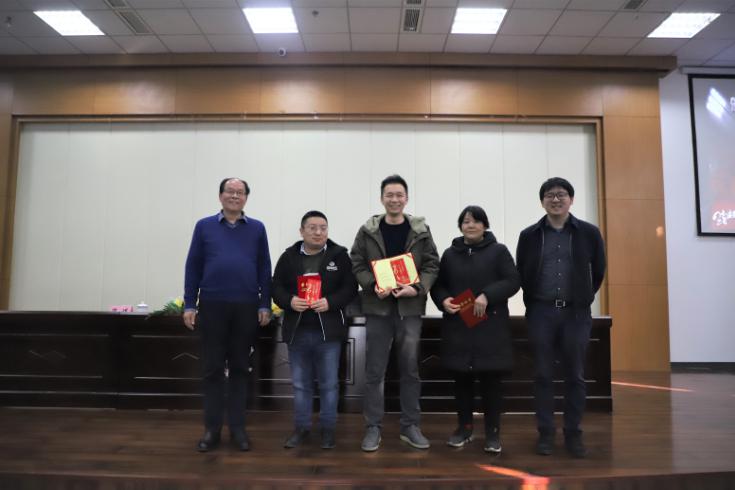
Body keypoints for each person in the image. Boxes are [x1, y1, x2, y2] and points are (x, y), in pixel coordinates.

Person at [516, 177, 606, 458]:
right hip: (541, 312)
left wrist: (583, 296)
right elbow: (522, 270)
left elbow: (598, 270)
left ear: (571, 199)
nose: (556, 199)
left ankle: (573, 433)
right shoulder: (529, 235)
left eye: (561, 194)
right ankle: (546, 433)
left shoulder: (589, 233)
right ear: (542, 201)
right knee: (543, 374)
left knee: (575, 375)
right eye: (550, 195)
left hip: (575, 313)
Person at [350, 174, 440, 452]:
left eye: (399, 195)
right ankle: (373, 427)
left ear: (406, 198)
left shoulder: (420, 230)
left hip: (409, 311)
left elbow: (432, 265)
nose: (394, 199)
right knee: (374, 372)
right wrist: (372, 285)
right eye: (389, 195)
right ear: (381, 199)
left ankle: (410, 425)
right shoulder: (368, 230)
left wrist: (418, 288)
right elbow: (356, 262)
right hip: (377, 310)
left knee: (410, 371)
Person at [183, 178, 272, 453]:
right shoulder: (204, 226)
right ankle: (212, 429)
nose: (235, 196)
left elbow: (264, 267)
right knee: (212, 369)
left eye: (240, 192)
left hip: (246, 306)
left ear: (246, 198)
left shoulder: (257, 228)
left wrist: (265, 304)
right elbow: (193, 265)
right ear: (220, 196)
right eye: (230, 191)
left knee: (240, 369)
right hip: (212, 305)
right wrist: (189, 304)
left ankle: (238, 429)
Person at [430, 205, 520, 453]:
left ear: (485, 225)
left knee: (491, 383)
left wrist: (487, 295)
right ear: (460, 226)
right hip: (458, 327)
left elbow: (513, 281)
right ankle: (464, 428)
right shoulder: (450, 254)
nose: (471, 225)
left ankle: (492, 433)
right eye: (466, 221)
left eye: (476, 221)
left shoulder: (499, 251)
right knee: (462, 382)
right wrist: (443, 300)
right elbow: (438, 285)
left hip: (490, 327)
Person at [271, 210, 358, 450]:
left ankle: (328, 429)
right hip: (297, 331)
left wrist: (330, 302)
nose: (318, 232)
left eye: (323, 228)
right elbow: (275, 286)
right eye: (312, 228)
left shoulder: (340, 256)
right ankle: (301, 428)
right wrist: (289, 301)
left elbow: (350, 288)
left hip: (328, 333)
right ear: (302, 231)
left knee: (329, 384)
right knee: (301, 385)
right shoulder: (288, 257)